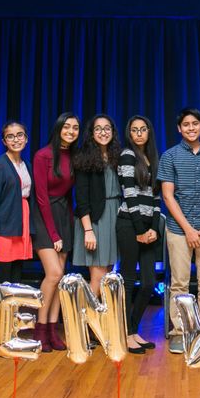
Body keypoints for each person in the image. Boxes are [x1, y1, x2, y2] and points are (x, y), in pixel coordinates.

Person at [158, 108, 200, 354]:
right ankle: (180, 331)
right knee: (180, 283)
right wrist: (187, 229)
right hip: (179, 230)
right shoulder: (170, 156)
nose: (190, 128)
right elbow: (167, 196)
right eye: (185, 124)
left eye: (194, 123)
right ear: (179, 128)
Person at [0, 121, 36, 354]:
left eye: (20, 135)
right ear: (4, 141)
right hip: (3, 230)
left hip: (21, 226)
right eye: (10, 136)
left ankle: (11, 332)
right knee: (1, 282)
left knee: (15, 281)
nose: (16, 139)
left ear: (26, 138)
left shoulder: (26, 164)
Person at [32, 112, 79, 352]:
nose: (71, 131)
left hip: (63, 216)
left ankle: (52, 330)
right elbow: (41, 197)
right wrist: (53, 234)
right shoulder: (43, 155)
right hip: (43, 216)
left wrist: (67, 227)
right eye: (67, 127)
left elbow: (68, 196)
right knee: (53, 273)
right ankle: (39, 329)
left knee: (60, 277)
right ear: (58, 128)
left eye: (75, 128)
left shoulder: (73, 157)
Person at [116, 115, 161, 354]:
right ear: (129, 134)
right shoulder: (127, 155)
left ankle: (133, 329)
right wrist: (140, 230)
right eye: (134, 130)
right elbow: (129, 194)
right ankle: (125, 333)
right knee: (129, 280)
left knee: (149, 283)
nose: (139, 133)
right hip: (128, 224)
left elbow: (155, 198)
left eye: (143, 129)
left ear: (149, 132)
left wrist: (153, 227)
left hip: (148, 227)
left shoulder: (152, 158)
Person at [72, 115, 121, 298]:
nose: (103, 132)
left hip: (114, 216)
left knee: (107, 274)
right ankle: (84, 322)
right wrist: (88, 230)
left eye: (107, 128)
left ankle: (99, 321)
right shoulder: (84, 158)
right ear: (91, 134)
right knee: (98, 277)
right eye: (98, 129)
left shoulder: (117, 156)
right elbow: (82, 198)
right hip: (95, 220)